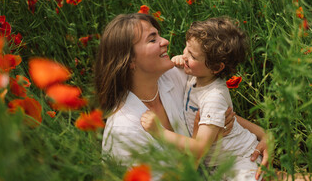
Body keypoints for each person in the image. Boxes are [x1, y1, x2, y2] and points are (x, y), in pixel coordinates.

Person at [95, 13, 268, 179]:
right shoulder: (123, 132)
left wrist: (264, 135)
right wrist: (197, 143)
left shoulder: (178, 76)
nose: (165, 41)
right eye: (153, 39)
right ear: (130, 60)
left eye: (159, 35)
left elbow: (219, 112)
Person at [141, 17, 264, 180]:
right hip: (218, 164)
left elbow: (199, 148)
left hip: (241, 160)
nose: (184, 55)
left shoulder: (214, 97)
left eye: (192, 55)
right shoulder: (197, 77)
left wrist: (159, 132)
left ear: (216, 67)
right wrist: (184, 59)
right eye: (186, 48)